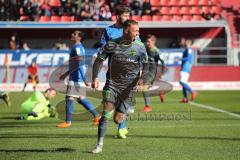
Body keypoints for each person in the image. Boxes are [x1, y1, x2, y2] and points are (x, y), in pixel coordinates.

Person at [90, 20, 148, 154]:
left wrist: (143, 79)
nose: (138, 33)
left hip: (129, 88)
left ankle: (122, 111)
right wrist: (95, 77)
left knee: (117, 120)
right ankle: (99, 145)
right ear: (126, 31)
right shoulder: (112, 44)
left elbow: (147, 65)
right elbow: (98, 61)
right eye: (136, 31)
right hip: (112, 84)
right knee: (106, 112)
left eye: (138, 31)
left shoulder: (140, 46)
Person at [98, 5, 134, 139]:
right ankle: (116, 126)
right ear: (117, 16)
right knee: (110, 103)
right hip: (113, 72)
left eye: (128, 15)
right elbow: (103, 49)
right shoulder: (109, 31)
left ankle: (121, 128)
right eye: (125, 15)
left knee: (122, 100)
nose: (127, 18)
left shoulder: (132, 29)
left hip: (129, 71)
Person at [57, 30, 100, 128]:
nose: (72, 34)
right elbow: (75, 64)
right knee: (81, 99)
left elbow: (80, 64)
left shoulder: (77, 48)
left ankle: (68, 122)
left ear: (79, 37)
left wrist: (84, 78)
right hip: (76, 76)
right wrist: (65, 74)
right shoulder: (78, 47)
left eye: (75, 34)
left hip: (77, 78)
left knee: (69, 98)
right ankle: (97, 116)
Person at [141, 34, 166, 112]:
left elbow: (163, 63)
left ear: (154, 42)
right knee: (148, 87)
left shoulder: (156, 51)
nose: (147, 43)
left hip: (153, 71)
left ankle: (148, 106)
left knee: (145, 87)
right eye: (147, 41)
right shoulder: (145, 48)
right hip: (146, 70)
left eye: (149, 41)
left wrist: (162, 73)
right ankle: (160, 92)